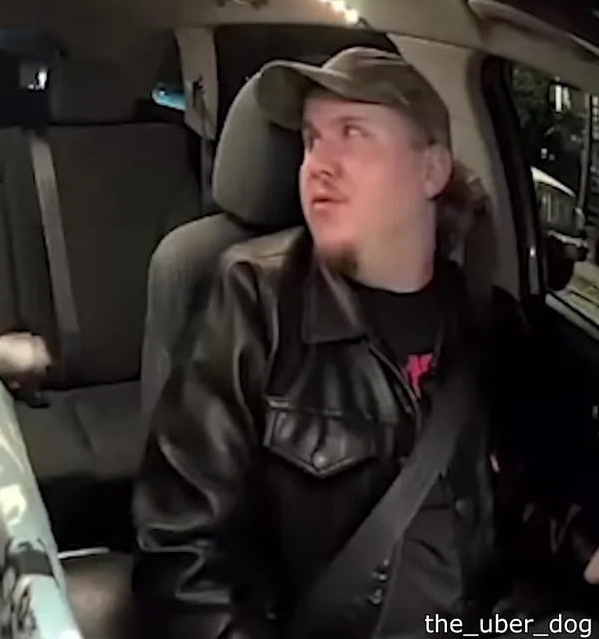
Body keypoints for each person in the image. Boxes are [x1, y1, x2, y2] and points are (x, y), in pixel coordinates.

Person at [132, 47, 599, 638]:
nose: (318, 165)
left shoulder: (488, 323)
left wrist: (585, 549)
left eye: (353, 133)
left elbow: (518, 495)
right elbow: (182, 558)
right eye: (310, 140)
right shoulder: (255, 301)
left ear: (431, 171)